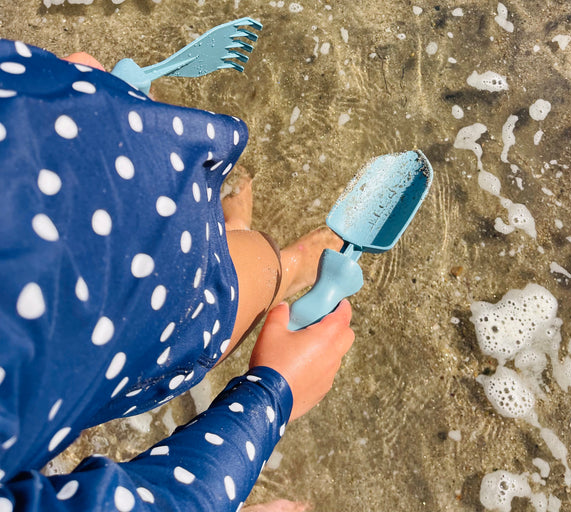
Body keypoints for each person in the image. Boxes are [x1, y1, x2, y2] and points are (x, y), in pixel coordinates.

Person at [0, 38, 355, 512]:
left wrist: (50, 84)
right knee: (247, 273)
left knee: (212, 275)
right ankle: (276, 269)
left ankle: (231, 247)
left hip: (57, 160)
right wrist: (272, 394)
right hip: (97, 298)